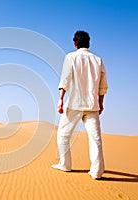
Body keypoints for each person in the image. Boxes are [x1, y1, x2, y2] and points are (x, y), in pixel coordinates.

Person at [51, 30, 108, 180]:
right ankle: (97, 172)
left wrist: (60, 100)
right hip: (92, 105)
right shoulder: (98, 60)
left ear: (75, 43)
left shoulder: (70, 57)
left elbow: (65, 81)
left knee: (63, 134)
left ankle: (65, 164)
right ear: (88, 43)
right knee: (95, 138)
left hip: (74, 104)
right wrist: (101, 103)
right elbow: (103, 86)